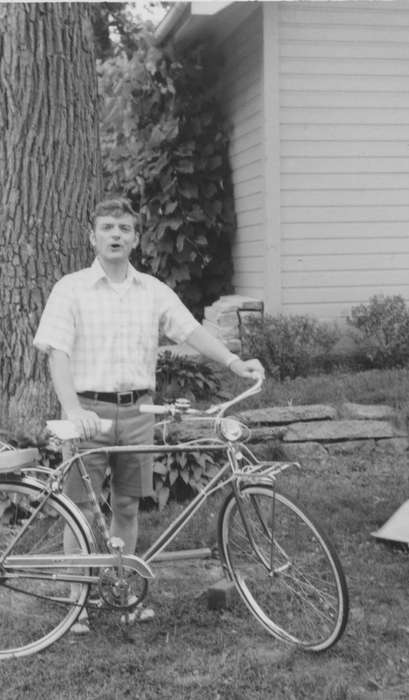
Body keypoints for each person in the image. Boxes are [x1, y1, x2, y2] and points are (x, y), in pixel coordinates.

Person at [33, 196, 264, 633]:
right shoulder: (71, 288)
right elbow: (57, 354)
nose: (116, 234)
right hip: (88, 412)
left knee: (126, 505)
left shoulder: (153, 291)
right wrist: (72, 408)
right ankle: (76, 600)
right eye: (107, 227)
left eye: (124, 228)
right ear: (93, 237)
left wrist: (235, 363)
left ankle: (120, 589)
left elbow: (192, 331)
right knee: (80, 509)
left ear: (136, 238)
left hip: (138, 411)